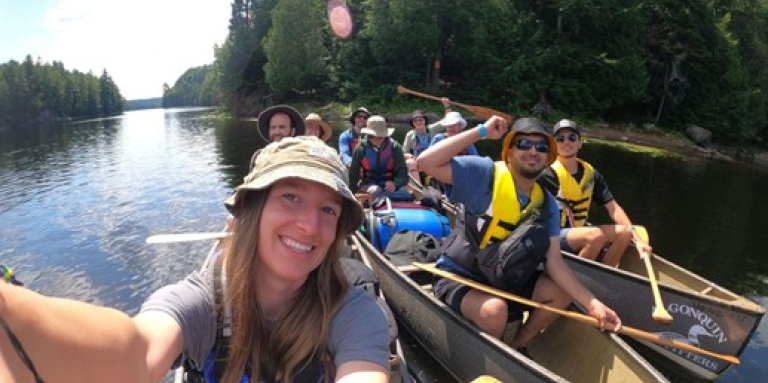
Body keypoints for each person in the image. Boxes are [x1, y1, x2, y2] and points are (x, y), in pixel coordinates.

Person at [0, 136, 390, 383]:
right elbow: (137, 353)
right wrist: (12, 313)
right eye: (291, 196)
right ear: (250, 211)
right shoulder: (201, 303)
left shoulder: (354, 313)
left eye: (328, 210)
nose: (309, 225)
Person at [416, 115, 621, 352]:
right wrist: (481, 131)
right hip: (461, 275)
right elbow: (426, 162)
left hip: (506, 277)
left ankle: (517, 347)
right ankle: (485, 359)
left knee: (562, 293)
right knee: (495, 311)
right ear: (510, 151)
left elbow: (554, 262)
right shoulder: (484, 174)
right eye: (524, 144)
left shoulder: (547, 204)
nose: (533, 151)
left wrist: (594, 304)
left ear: (548, 159)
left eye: (542, 147)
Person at [537, 119, 652, 266]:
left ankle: (602, 277)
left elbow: (613, 208)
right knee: (595, 236)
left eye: (572, 138)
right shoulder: (546, 175)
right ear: (554, 145)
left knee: (625, 233)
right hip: (554, 236)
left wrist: (637, 239)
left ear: (580, 143)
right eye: (560, 139)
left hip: (579, 230)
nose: (566, 142)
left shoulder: (591, 175)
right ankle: (574, 281)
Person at [349, 115, 412, 202]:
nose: (375, 139)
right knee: (376, 190)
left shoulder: (395, 147)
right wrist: (351, 192)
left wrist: (395, 183)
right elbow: (353, 173)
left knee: (405, 194)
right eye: (372, 136)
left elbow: (403, 174)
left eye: (379, 136)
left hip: (390, 184)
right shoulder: (360, 148)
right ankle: (377, 207)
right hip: (368, 184)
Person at [250, 105, 306, 170]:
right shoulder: (257, 157)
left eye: (282, 127)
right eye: (273, 127)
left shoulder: (303, 156)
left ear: (293, 131)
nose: (277, 132)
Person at [401, 110, 432, 183]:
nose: (418, 122)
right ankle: (418, 186)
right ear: (413, 123)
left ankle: (432, 180)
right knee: (410, 163)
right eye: (415, 121)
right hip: (417, 161)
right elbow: (404, 152)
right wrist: (412, 157)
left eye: (420, 120)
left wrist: (447, 107)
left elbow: (447, 120)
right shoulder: (410, 134)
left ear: (424, 120)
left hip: (431, 159)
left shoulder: (432, 129)